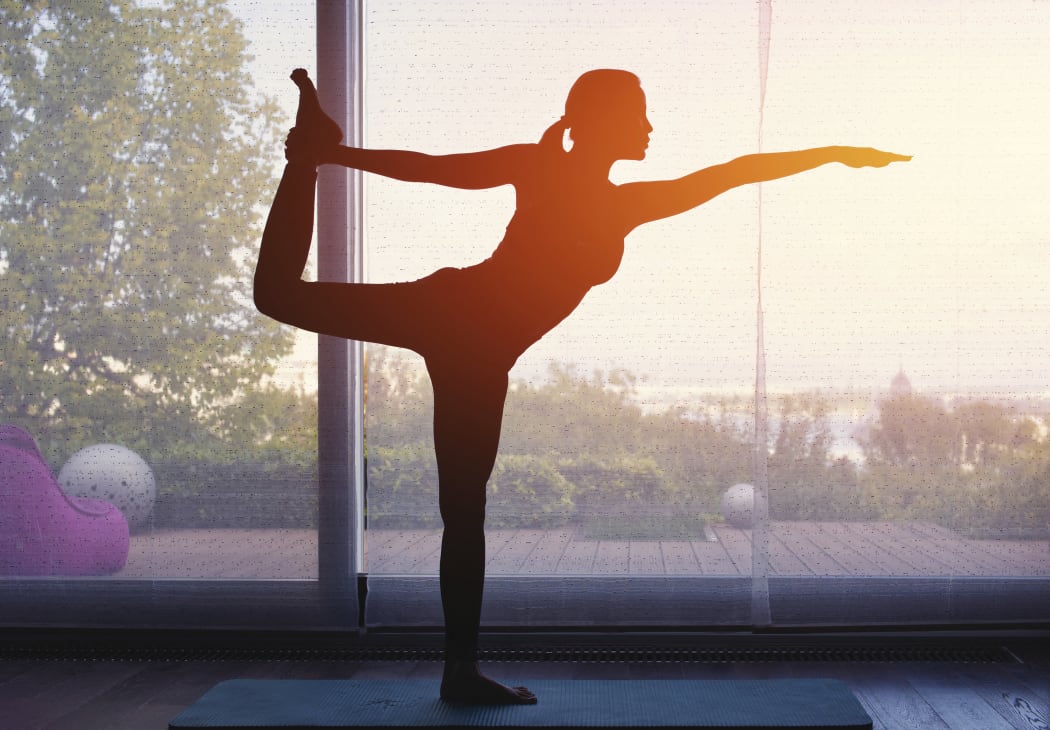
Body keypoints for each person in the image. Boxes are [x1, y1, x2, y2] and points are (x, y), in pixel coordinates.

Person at [253, 68, 909, 705]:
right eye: (638, 113)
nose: (651, 126)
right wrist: (334, 155)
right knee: (278, 295)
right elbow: (432, 167)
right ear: (601, 121)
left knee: (464, 511)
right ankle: (304, 159)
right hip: (453, 313)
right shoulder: (538, 168)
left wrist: (834, 154)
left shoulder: (626, 202)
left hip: (480, 352)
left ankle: (459, 672)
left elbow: (734, 173)